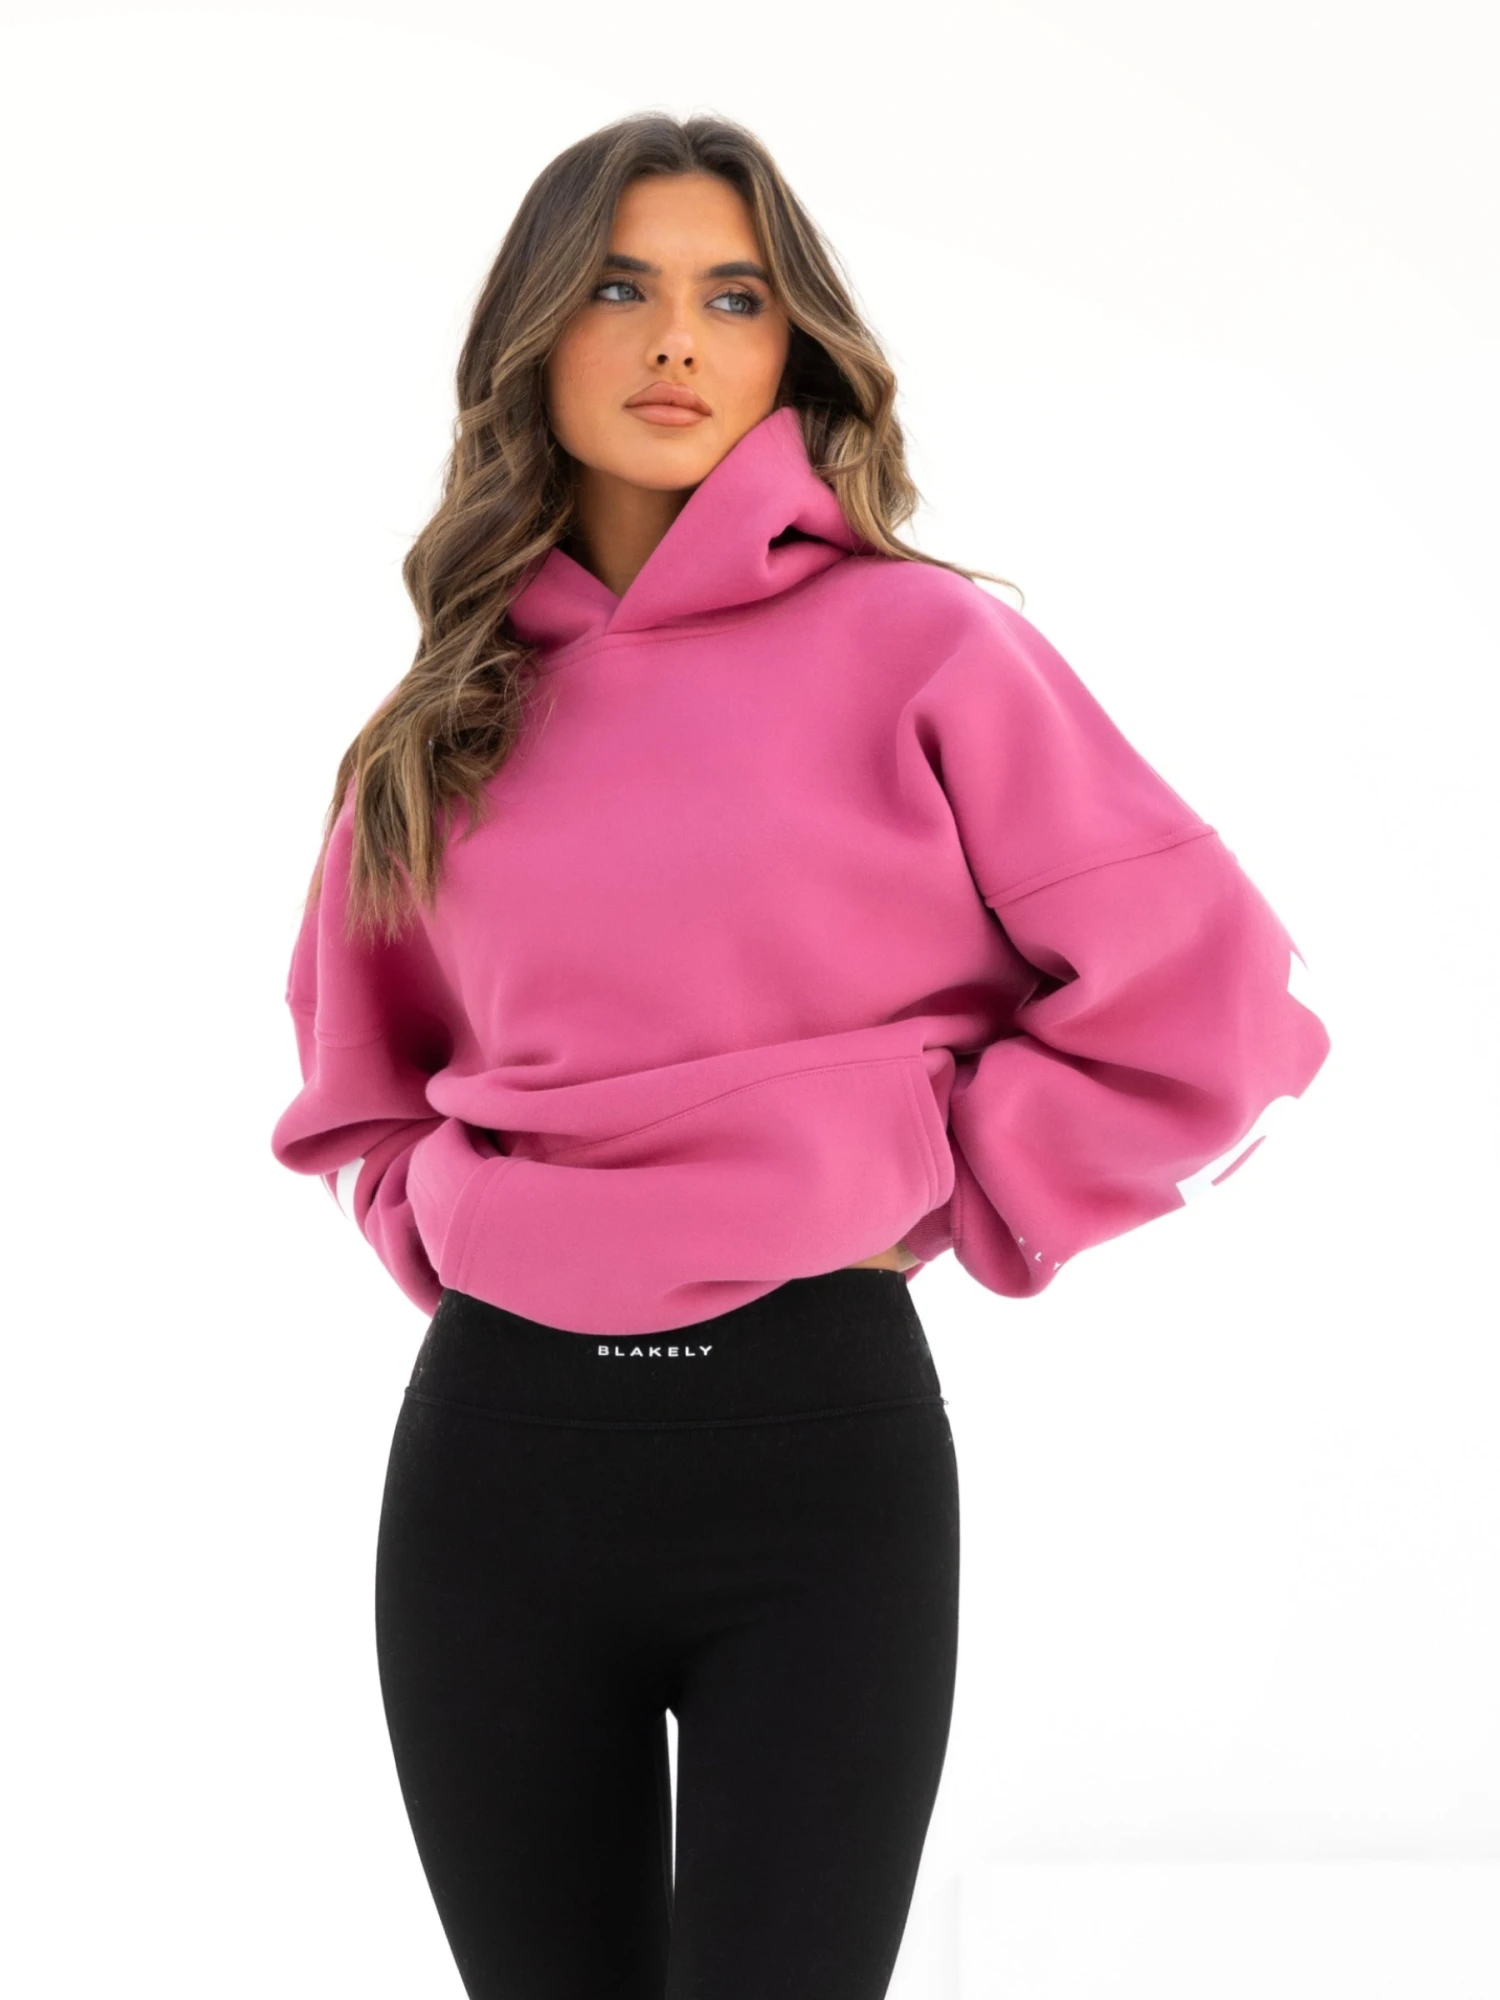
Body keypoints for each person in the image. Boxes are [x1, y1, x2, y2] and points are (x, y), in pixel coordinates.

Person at [269, 112, 1330, 2000]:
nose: (677, 339)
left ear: (792, 346)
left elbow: (1209, 1006)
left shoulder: (924, 645)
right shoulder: (440, 714)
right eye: (620, 287)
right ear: (534, 331)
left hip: (816, 1456)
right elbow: (357, 1086)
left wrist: (934, 1173)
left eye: (733, 296)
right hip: (494, 1467)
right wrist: (444, 1218)